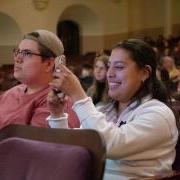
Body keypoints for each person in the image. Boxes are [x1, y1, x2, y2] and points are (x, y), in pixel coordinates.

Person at [47, 39, 178, 179]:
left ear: (145, 73)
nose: (109, 74)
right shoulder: (103, 109)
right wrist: (57, 115)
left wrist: (78, 96)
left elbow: (109, 145)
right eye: (109, 66)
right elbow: (72, 147)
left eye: (119, 67)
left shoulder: (159, 113)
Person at [0, 29, 79, 129]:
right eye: (17, 51)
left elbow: (31, 143)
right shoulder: (11, 92)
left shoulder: (57, 101)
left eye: (27, 53)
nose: (17, 58)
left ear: (48, 64)